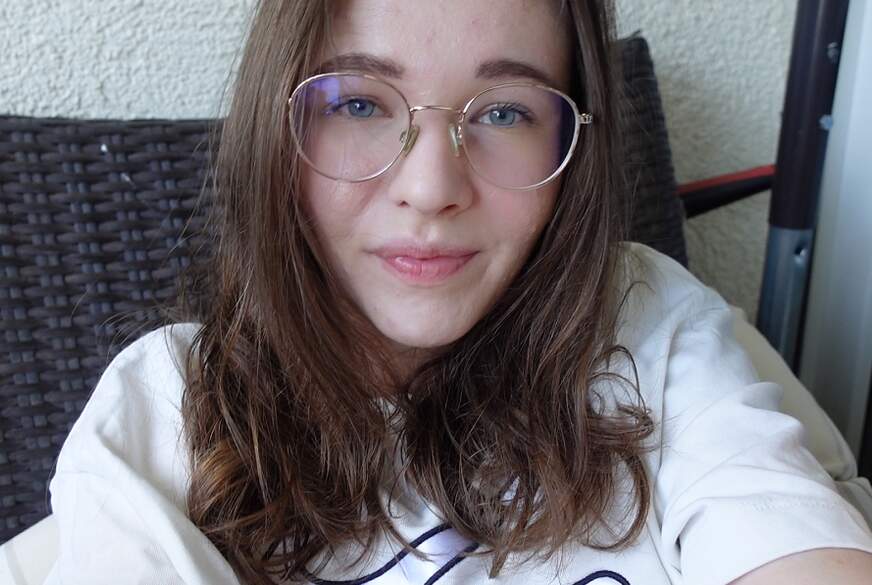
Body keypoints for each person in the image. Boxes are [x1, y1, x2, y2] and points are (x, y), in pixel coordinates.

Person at [44, 1, 872, 584]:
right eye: (358, 102)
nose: (432, 187)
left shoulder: (647, 325)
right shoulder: (166, 407)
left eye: (504, 113)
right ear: (275, 129)